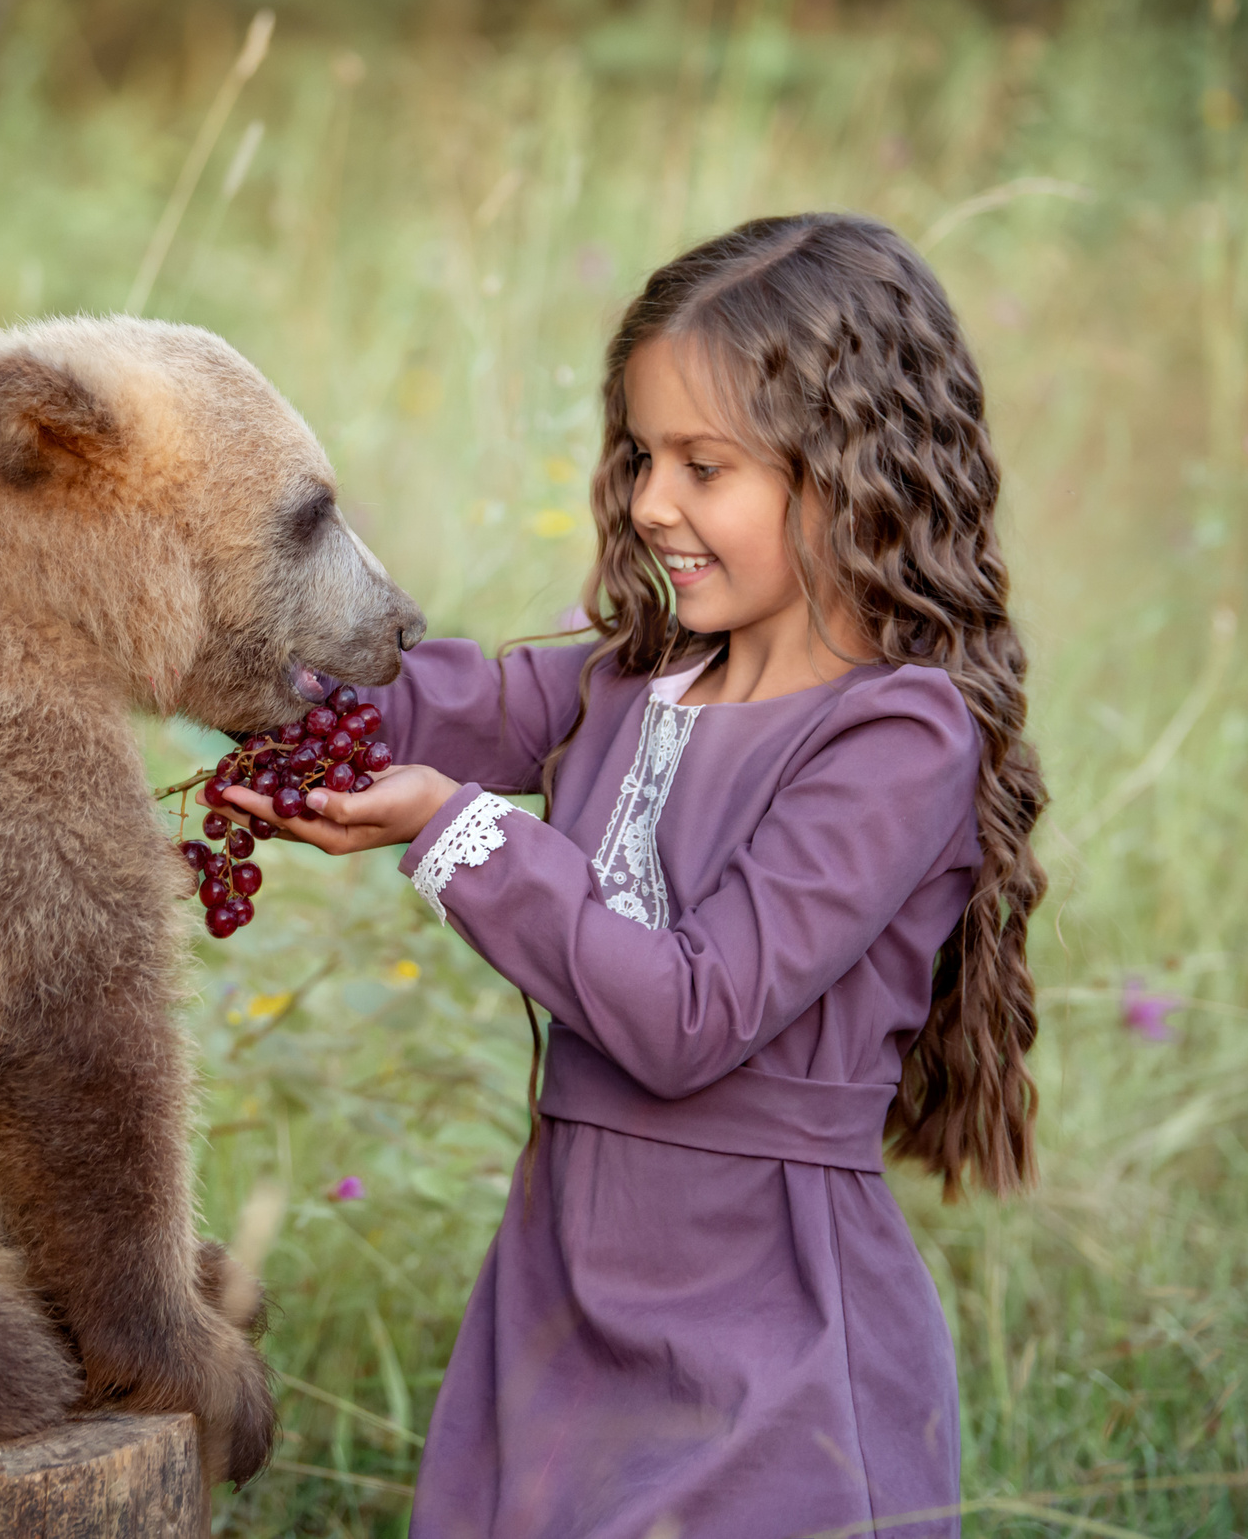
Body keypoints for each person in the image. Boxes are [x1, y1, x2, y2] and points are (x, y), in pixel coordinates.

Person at [218, 212, 1046, 1538]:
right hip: (558, 1326)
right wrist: (248, 666)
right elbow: (429, 707)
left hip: (766, 1347)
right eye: (642, 454)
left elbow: (688, 1014)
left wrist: (459, 832)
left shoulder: (898, 737)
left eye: (704, 465)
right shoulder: (627, 683)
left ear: (852, 471)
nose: (653, 500)